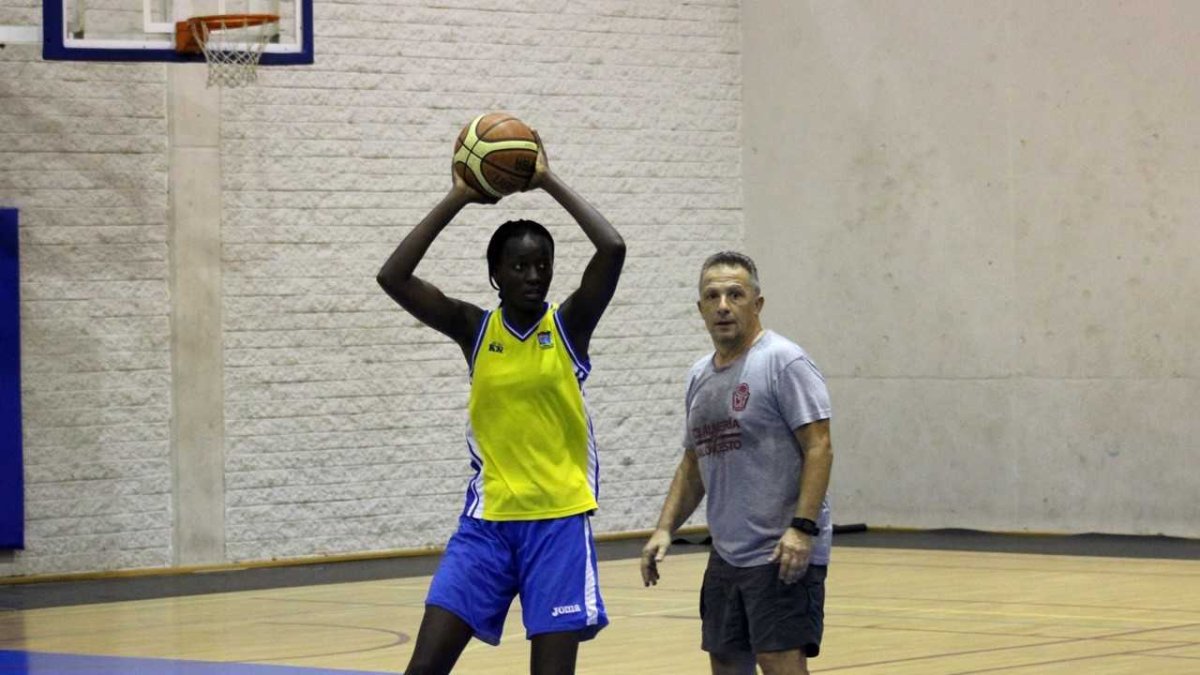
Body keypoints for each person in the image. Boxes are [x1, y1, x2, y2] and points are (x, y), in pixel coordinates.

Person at [377, 132, 625, 675]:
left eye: (543, 265)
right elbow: (392, 276)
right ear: (496, 275)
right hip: (486, 526)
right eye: (519, 267)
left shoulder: (569, 327)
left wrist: (547, 180)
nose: (534, 276)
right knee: (422, 670)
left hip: (558, 525)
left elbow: (612, 249)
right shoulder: (473, 328)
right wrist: (459, 196)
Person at [640, 251, 833, 675]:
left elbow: (819, 446)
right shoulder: (699, 376)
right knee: (727, 662)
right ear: (701, 309)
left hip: (780, 553)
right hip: (727, 556)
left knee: (779, 663)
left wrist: (802, 529)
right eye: (712, 296)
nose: (723, 305)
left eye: (735, 294)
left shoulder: (784, 362)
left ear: (757, 304)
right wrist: (664, 529)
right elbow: (694, 462)